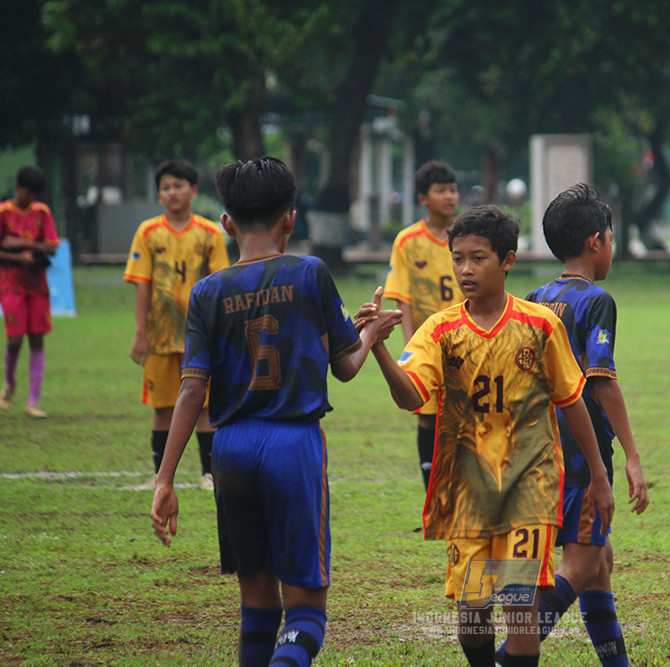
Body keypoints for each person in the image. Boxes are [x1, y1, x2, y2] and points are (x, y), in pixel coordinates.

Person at [150, 157, 400, 667]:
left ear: (227, 223)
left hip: (230, 449)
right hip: (293, 445)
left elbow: (192, 391)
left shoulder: (208, 291)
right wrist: (371, 334)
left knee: (257, 606)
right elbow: (345, 367)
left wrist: (165, 478)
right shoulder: (309, 273)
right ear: (291, 218)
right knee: (306, 612)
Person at [370, 205, 615, 667]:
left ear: (507, 261)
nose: (465, 269)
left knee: (521, 608)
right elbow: (409, 396)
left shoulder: (540, 326)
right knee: (473, 613)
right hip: (469, 493)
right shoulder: (440, 330)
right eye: (458, 258)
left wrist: (599, 475)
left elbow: (573, 400)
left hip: (530, 489)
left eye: (478, 258)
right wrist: (380, 348)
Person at [496, 184, 650, 666]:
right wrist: (632, 457)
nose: (611, 247)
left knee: (601, 562)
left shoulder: (535, 298)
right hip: (583, 454)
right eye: (611, 238)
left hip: (538, 450)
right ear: (595, 242)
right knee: (581, 565)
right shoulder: (596, 300)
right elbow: (601, 383)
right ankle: (509, 655)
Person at [124, 159, 229, 491]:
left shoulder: (210, 233)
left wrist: (220, 331)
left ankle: (209, 473)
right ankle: (160, 476)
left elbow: (220, 285)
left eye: (178, 186)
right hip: (161, 335)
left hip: (201, 335)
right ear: (158, 195)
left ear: (193, 190)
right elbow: (142, 284)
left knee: (205, 406)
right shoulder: (148, 232)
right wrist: (141, 333)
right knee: (162, 407)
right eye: (166, 188)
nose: (172, 193)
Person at [383, 160, 460, 490]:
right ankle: (432, 490)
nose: (450, 196)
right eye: (441, 190)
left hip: (465, 339)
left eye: (453, 190)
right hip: (428, 343)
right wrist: (411, 347)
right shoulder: (408, 241)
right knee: (427, 416)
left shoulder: (466, 236)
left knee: (465, 414)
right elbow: (403, 298)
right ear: (423, 198)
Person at [0, 166, 60, 418]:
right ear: (18, 188)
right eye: (27, 193)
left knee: (37, 338)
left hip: (37, 286)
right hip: (11, 285)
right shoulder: (3, 212)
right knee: (15, 340)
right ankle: (9, 385)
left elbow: (53, 247)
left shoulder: (42, 212)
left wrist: (21, 244)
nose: (31, 198)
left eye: (35, 194)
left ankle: (33, 401)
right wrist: (17, 257)